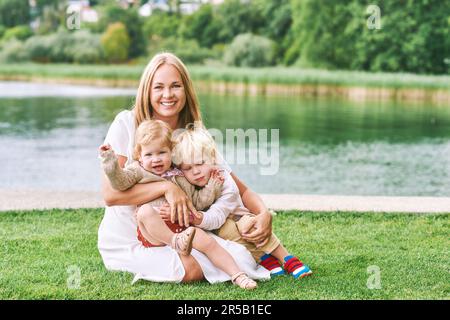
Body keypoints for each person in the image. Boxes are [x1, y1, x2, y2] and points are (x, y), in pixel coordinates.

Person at [98, 52, 273, 284]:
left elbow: (240, 189)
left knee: (241, 256)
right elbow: (110, 195)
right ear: (147, 91)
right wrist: (167, 188)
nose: (167, 95)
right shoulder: (127, 123)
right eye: (158, 87)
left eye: (175, 86)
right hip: (132, 237)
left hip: (182, 232)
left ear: (186, 90)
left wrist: (263, 213)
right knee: (192, 270)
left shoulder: (193, 137)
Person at [99, 119, 257, 289]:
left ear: (171, 153)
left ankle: (238, 275)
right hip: (155, 233)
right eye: (149, 155)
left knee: (208, 242)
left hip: (182, 229)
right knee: (145, 211)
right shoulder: (137, 171)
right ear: (139, 156)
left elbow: (196, 201)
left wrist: (213, 186)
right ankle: (175, 242)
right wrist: (110, 162)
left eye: (162, 153)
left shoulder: (179, 176)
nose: (156, 159)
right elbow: (120, 182)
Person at [169, 124, 313, 279]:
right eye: (188, 168)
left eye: (200, 164)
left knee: (247, 226)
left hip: (236, 215)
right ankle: (263, 258)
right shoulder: (184, 183)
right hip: (217, 225)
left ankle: (286, 257)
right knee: (227, 231)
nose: (196, 171)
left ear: (212, 159)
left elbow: (218, 213)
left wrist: (198, 218)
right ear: (180, 170)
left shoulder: (224, 180)